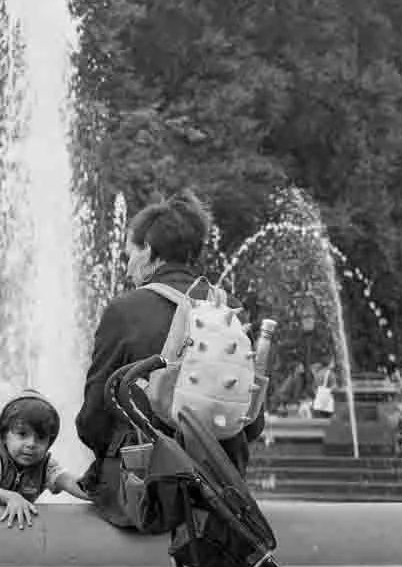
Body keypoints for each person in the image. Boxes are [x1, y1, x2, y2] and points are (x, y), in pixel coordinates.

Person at [76, 190, 264, 519]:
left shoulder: (125, 310)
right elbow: (251, 421)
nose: (128, 265)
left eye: (130, 253)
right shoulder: (231, 310)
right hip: (219, 488)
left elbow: (94, 416)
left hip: (147, 489)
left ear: (148, 250)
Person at [0, 389, 88, 528]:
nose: (31, 444)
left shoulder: (46, 467)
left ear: (49, 442)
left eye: (40, 438)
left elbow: (70, 482)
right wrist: (12, 497)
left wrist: (99, 494)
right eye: (22, 434)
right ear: (4, 436)